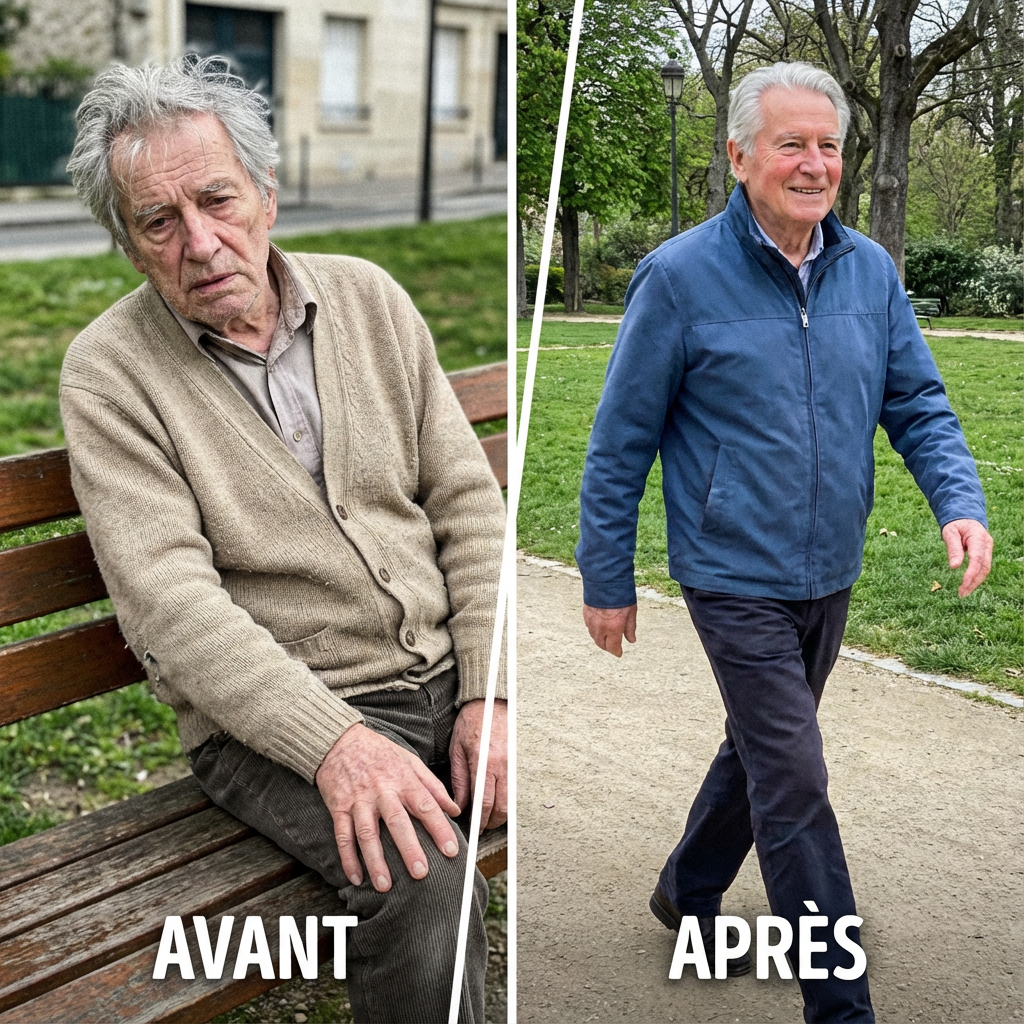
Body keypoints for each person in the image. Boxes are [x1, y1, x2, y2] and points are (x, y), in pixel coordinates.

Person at [60, 57, 506, 1024]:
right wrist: (336, 742)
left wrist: (492, 688)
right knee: (425, 874)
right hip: (278, 716)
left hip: (443, 670)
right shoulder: (108, 375)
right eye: (159, 222)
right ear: (129, 246)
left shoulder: (370, 299)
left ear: (267, 195)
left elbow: (467, 503)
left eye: (219, 199)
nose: (203, 242)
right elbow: (170, 607)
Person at [575, 62, 991, 1024]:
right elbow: (618, 441)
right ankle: (840, 1007)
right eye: (791, 143)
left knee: (766, 750)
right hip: (732, 574)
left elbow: (918, 402)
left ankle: (687, 888)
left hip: (828, 568)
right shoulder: (678, 278)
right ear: (739, 154)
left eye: (829, 145)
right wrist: (607, 575)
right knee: (795, 780)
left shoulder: (870, 272)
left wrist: (957, 501)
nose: (813, 164)